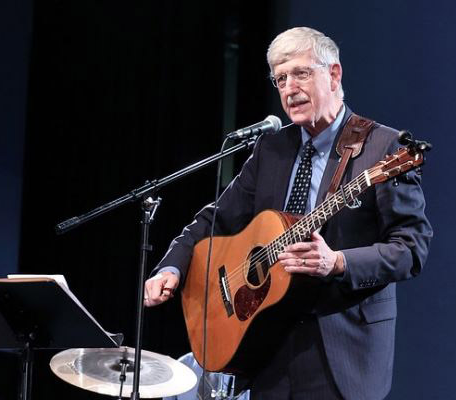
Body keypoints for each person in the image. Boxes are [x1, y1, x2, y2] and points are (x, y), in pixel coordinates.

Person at [143, 27, 431, 400]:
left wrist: (338, 261)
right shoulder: (271, 148)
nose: (289, 89)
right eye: (280, 79)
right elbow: (216, 218)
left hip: (342, 350)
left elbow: (411, 248)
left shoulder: (383, 147)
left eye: (301, 73)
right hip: (267, 345)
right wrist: (173, 267)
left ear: (334, 74)